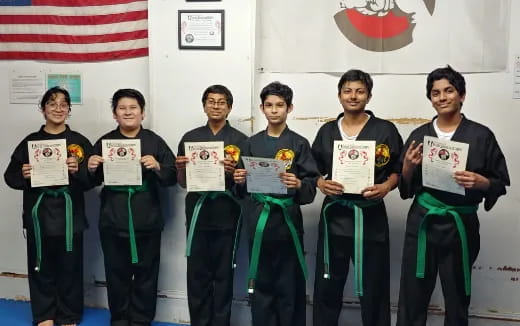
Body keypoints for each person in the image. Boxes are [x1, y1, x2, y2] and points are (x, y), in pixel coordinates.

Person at [395, 66, 510, 326]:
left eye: (449, 90)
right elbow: (404, 187)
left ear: (462, 95)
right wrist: (408, 168)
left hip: (460, 224)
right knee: (413, 294)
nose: (442, 97)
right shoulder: (419, 135)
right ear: (430, 99)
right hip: (422, 223)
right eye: (435, 93)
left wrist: (482, 182)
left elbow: (500, 182)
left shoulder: (481, 135)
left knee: (458, 295)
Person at [311, 69, 403, 326]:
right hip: (335, 217)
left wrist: (386, 186)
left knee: (374, 286)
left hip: (370, 216)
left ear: (369, 96)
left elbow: (399, 169)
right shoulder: (327, 131)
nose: (353, 96)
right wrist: (320, 183)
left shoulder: (385, 130)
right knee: (327, 284)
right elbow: (310, 168)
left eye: (360, 91)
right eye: (347, 91)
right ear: (339, 95)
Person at [4, 86, 93, 326]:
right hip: (39, 215)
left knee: (70, 267)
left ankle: (68, 314)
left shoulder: (78, 142)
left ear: (69, 110)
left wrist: (78, 171)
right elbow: (9, 177)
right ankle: (44, 314)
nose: (58, 108)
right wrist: (23, 174)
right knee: (39, 265)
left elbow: (93, 180)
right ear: (43, 109)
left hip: (69, 214)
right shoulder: (30, 142)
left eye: (64, 104)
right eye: (52, 104)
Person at [87, 88, 177, 326]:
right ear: (115, 114)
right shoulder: (105, 142)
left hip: (146, 220)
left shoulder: (154, 141)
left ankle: (141, 319)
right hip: (113, 219)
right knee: (116, 274)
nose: (128, 112)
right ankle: (119, 318)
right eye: (122, 108)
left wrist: (157, 166)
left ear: (142, 113)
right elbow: (89, 182)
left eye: (133, 108)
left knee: (147, 274)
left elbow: (172, 176)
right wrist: (92, 167)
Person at [233, 81, 319, 326]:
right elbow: (240, 186)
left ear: (289, 108)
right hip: (258, 220)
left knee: (289, 283)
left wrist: (299, 184)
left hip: (287, 223)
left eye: (279, 105)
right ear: (262, 108)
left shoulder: (299, 143)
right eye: (269, 105)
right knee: (261, 281)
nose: (274, 110)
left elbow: (311, 180)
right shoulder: (250, 143)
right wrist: (238, 179)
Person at [175, 85, 247, 326]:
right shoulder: (190, 138)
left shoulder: (241, 141)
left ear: (229, 107)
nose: (216, 106)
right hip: (198, 215)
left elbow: (245, 185)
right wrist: (181, 168)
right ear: (204, 105)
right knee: (197, 276)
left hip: (227, 216)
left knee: (224, 276)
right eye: (211, 101)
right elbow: (183, 183)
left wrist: (235, 172)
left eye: (222, 102)